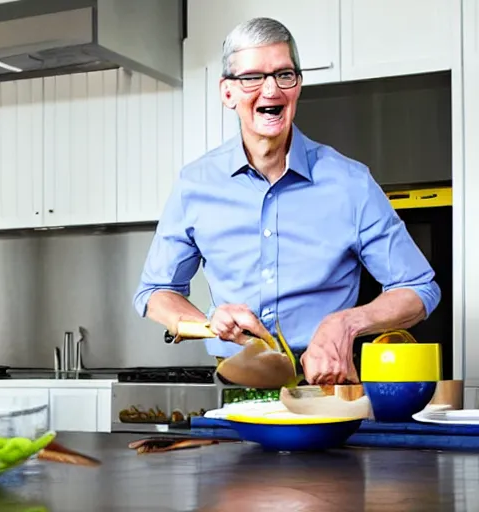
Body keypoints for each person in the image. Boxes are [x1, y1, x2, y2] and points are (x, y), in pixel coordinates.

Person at [133, 17, 441, 385]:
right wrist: (209, 323)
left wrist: (345, 323)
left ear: (298, 86)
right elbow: (156, 292)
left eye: (284, 75)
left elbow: (419, 288)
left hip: (328, 385)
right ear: (227, 93)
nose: (271, 91)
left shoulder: (351, 183)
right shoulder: (194, 184)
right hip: (235, 388)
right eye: (251, 78)